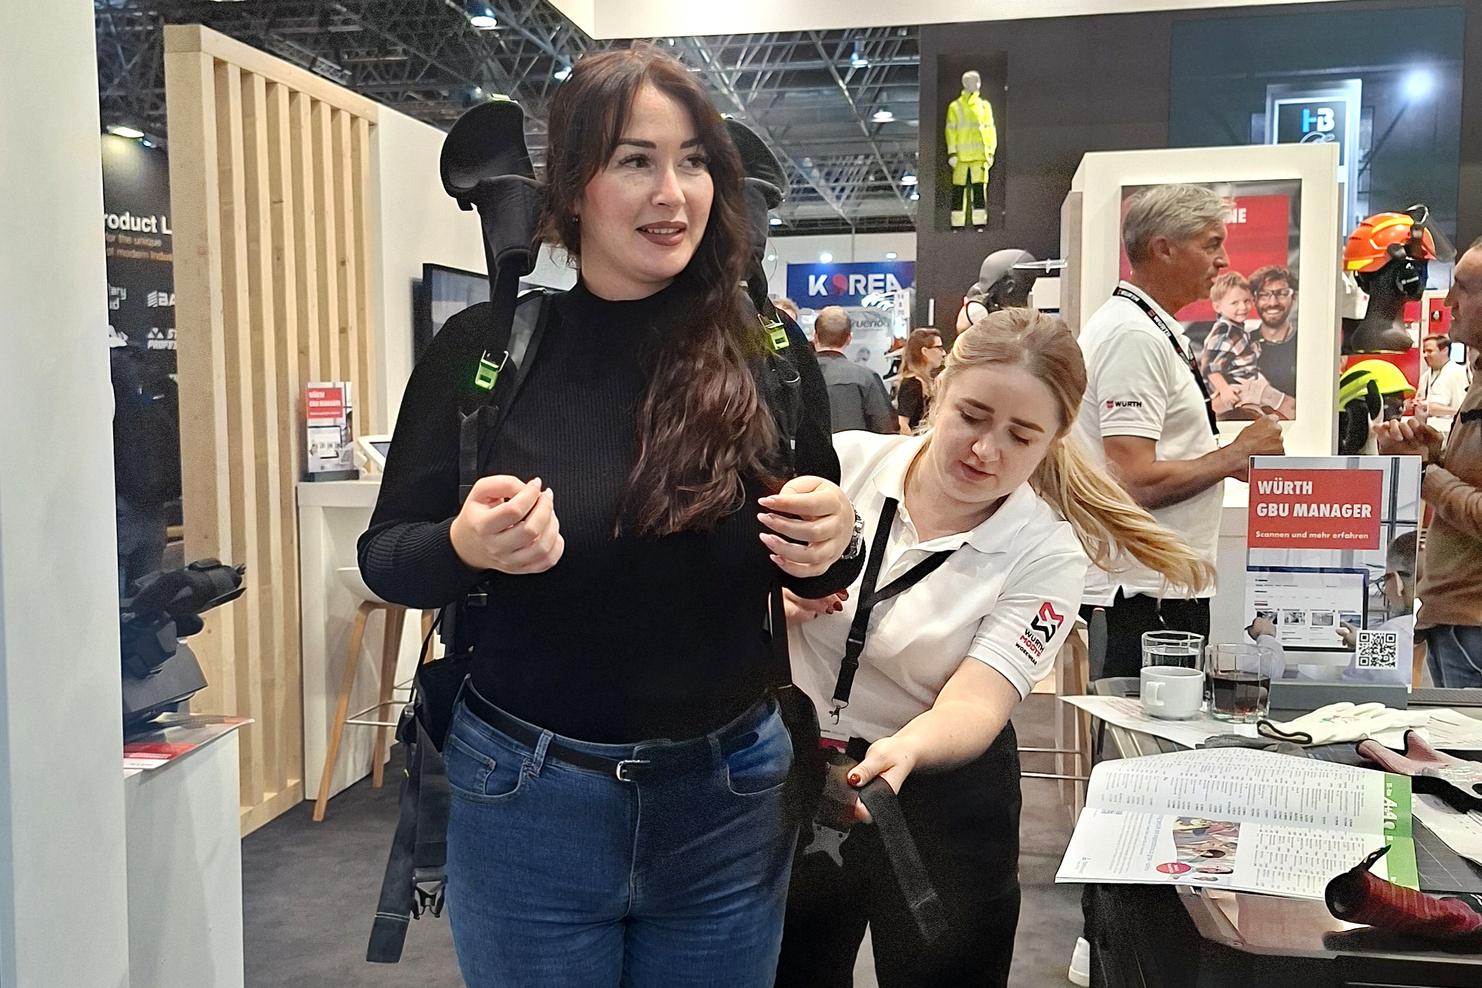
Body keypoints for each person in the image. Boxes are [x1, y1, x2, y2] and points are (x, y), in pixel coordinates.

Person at [357, 47, 864, 986]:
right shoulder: (485, 348)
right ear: (572, 187)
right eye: (636, 160)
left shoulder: (767, 351)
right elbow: (388, 556)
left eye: (694, 162)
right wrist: (467, 544)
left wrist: (838, 540)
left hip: (727, 803)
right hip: (528, 800)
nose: (672, 193)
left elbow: (822, 560)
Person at [774, 310, 1210, 988]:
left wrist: (908, 749)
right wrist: (778, 604)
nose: (985, 450)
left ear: (1054, 439)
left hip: (940, 795)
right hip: (793, 776)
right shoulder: (845, 467)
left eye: (1020, 435)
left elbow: (977, 700)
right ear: (938, 392)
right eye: (971, 416)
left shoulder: (1046, 553)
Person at [1075, 183, 1285, 680]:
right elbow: (1130, 481)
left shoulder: (1149, 328)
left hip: (1157, 587)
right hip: (1141, 594)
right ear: (1163, 249)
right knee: (1140, 729)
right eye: (1211, 245)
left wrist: (1223, 455)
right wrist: (1231, 457)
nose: (1223, 260)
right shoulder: (1133, 336)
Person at [1378, 237, 1482, 688]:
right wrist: (1435, 454)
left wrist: (1426, 474)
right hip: (1460, 625)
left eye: (1464, 288)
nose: (1448, 301)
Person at [1248, 529, 1418, 686]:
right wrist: (1364, 644)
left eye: (1385, 580)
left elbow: (1348, 696)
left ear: (1397, 582)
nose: (1385, 590)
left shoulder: (1394, 631)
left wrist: (1266, 636)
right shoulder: (1414, 631)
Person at [1198, 271, 1286, 417]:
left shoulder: (1237, 329)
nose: (1243, 307)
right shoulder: (1224, 331)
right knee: (1283, 409)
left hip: (1249, 388)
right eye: (1235, 303)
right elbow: (1210, 367)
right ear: (1218, 307)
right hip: (1237, 392)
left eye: (1246, 301)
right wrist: (1224, 390)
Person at [814, 305, 897, 434]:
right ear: (849, 338)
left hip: (807, 447)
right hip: (855, 447)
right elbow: (885, 427)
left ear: (815, 337)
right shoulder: (866, 378)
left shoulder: (795, 377)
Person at [1249, 264, 1299, 416]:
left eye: (1281, 294)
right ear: (1254, 300)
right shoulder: (1241, 345)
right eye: (1264, 295)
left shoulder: (1307, 344)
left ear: (1294, 298)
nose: (1273, 302)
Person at [1417, 333, 1470, 441]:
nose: (1425, 355)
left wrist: (1429, 407)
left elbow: (1437, 408)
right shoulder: (1425, 376)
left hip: (1451, 433)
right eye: (1424, 351)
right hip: (1430, 432)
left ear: (1445, 350)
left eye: (1430, 351)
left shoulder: (1456, 372)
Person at [895, 328, 944, 433]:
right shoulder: (912, 383)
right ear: (924, 351)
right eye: (939, 348)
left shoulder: (925, 381)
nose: (943, 353)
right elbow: (903, 423)